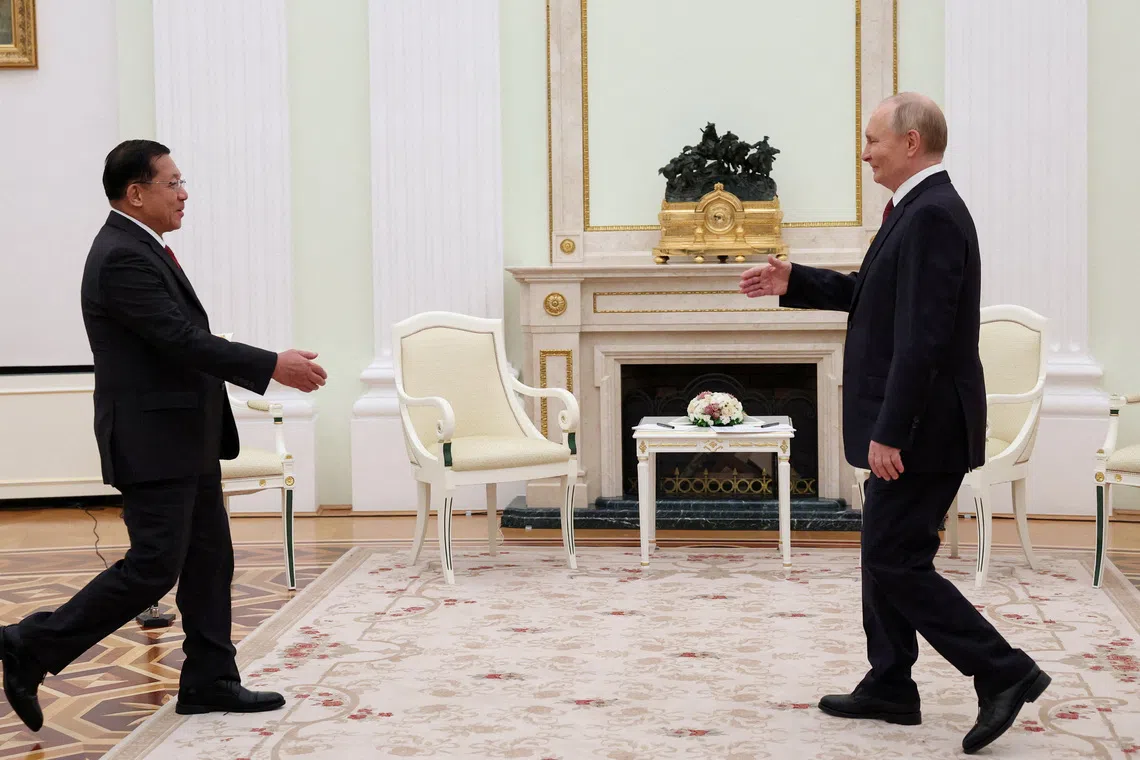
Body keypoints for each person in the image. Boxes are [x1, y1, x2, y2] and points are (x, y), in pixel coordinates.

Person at [739, 93, 1050, 754]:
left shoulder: (932, 213)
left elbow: (924, 340)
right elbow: (873, 295)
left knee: (893, 557)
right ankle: (889, 683)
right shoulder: (916, 210)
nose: (864, 152)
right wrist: (796, 280)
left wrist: (892, 430)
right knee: (884, 551)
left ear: (911, 141)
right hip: (918, 422)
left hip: (924, 429)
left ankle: (1004, 669)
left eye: (872, 139)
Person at [0, 139, 327, 732]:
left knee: (209, 559)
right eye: (172, 182)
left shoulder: (140, 248)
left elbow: (179, 341)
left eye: (182, 181)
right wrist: (271, 364)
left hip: (182, 434)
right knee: (154, 567)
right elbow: (181, 339)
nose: (184, 192)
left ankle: (210, 679)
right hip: (153, 441)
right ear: (136, 192)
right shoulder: (122, 256)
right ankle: (30, 643)